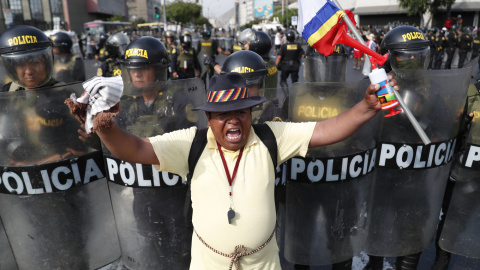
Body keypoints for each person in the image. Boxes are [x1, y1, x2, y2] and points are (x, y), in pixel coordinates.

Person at [67, 67, 396, 269]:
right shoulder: (191, 142)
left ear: (252, 113)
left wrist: (367, 107)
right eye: (223, 113)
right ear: (209, 118)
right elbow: (136, 149)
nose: (234, 119)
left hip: (263, 264)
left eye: (241, 110)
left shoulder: (270, 136)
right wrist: (104, 125)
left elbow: (325, 130)